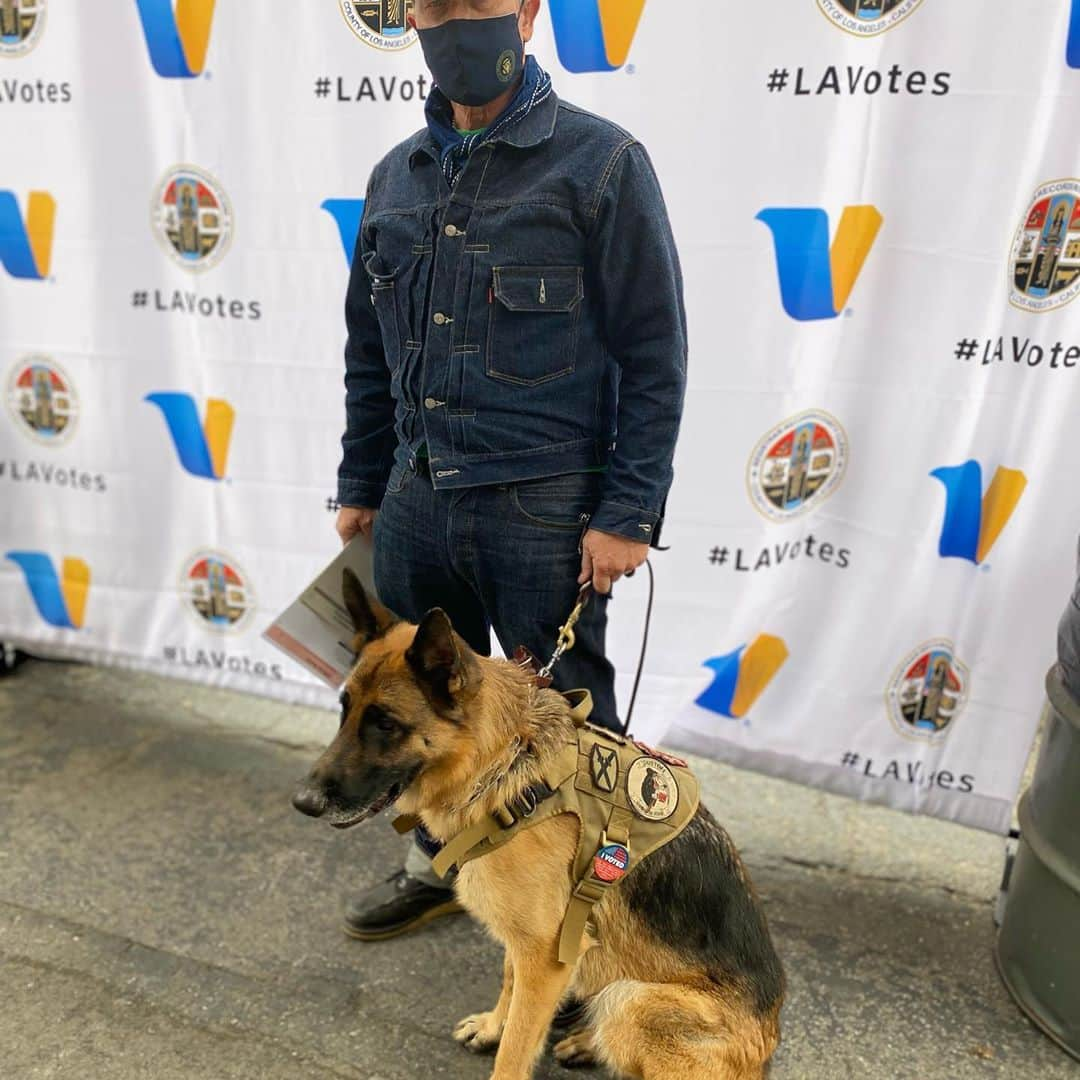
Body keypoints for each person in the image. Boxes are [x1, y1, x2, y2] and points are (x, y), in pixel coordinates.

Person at [334, 0, 687, 943]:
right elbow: (369, 350)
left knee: (567, 734)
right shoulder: (394, 178)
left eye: (478, 5)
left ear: (528, 11)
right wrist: (363, 484)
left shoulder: (601, 165)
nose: (454, 24)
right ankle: (440, 866)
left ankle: (592, 925)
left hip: (545, 510)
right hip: (415, 499)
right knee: (424, 711)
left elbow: (655, 353)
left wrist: (628, 511)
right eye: (433, 7)